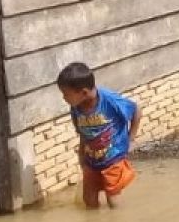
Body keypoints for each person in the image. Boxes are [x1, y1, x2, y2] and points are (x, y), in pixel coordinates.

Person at [57, 62, 142, 209]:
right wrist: (81, 154)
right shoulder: (76, 107)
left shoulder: (110, 101)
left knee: (113, 198)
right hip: (91, 159)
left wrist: (131, 139)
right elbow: (82, 131)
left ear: (83, 92)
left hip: (113, 157)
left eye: (66, 94)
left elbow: (136, 111)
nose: (64, 98)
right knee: (88, 199)